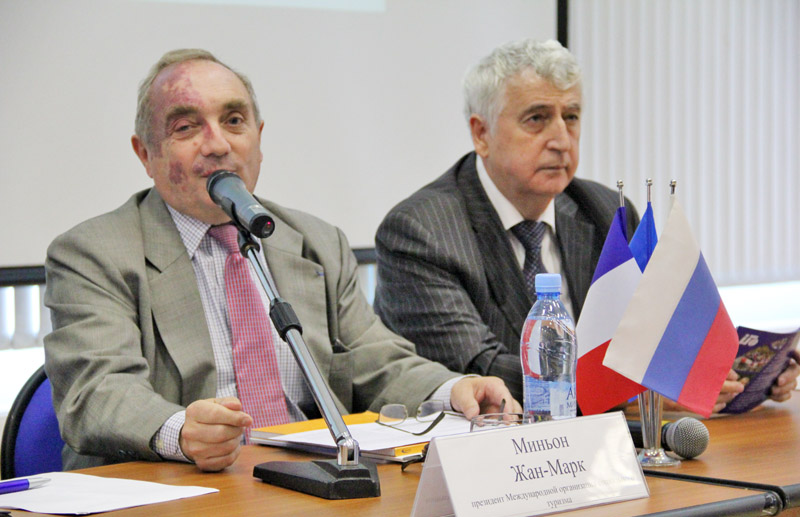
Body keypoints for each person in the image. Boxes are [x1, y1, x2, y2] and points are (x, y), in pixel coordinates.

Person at [43, 49, 519, 473]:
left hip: (309, 483)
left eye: (234, 121)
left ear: (258, 138)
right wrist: (180, 431)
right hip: (176, 491)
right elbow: (95, 392)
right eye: (186, 127)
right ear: (145, 153)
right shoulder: (94, 253)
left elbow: (375, 360)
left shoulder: (315, 242)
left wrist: (453, 390)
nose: (217, 144)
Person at [373, 38, 800, 413]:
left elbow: (655, 333)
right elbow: (483, 369)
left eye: (572, 117)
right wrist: (633, 391)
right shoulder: (420, 233)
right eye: (537, 118)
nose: (562, 140)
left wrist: (736, 373)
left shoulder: (603, 211)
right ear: (481, 133)